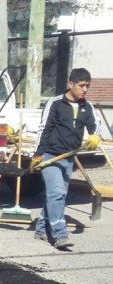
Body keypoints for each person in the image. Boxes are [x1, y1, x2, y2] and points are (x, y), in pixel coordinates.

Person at [31, 67, 100, 249]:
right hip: (51, 156)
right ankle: (60, 235)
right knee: (57, 193)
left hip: (69, 158)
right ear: (71, 84)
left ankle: (41, 229)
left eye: (87, 86)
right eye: (81, 85)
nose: (85, 89)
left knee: (56, 195)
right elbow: (44, 129)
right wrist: (37, 154)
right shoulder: (55, 103)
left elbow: (96, 126)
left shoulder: (87, 106)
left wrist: (95, 136)